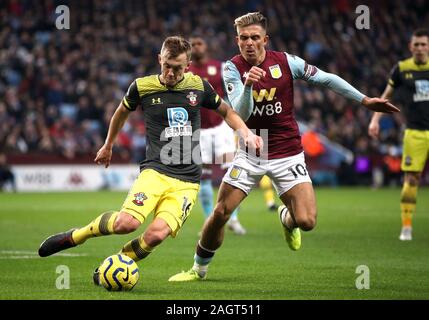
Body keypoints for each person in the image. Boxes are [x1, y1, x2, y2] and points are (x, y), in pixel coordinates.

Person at [169, 12, 399, 282]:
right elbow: (240, 114)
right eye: (244, 38)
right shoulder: (232, 68)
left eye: (255, 38)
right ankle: (198, 269)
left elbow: (326, 78)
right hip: (250, 153)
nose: (249, 43)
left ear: (265, 39)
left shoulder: (287, 62)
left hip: (288, 152)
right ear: (237, 40)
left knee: (307, 221)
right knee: (220, 212)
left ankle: (286, 218)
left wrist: (364, 100)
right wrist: (248, 86)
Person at [38, 36, 262, 284]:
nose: (170, 72)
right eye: (166, 65)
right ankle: (77, 236)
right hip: (155, 172)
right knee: (127, 223)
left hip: (187, 181)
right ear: (159, 59)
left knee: (156, 235)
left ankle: (115, 264)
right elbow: (121, 111)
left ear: (187, 65)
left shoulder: (199, 86)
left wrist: (246, 133)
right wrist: (108, 144)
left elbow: (227, 111)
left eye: (177, 67)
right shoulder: (142, 87)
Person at [368, 28, 429, 241]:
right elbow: (386, 96)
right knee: (411, 179)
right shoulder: (402, 69)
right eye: (417, 44)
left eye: (424, 44)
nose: (420, 48)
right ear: (411, 47)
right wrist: (375, 120)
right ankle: (406, 226)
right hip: (415, 132)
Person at [188, 35, 246, 235]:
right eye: (192, 44)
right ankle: (208, 221)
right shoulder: (185, 71)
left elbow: (233, 90)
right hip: (198, 131)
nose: (196, 47)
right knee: (202, 177)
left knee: (232, 172)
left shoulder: (219, 67)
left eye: (199, 43)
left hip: (221, 127)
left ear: (206, 46)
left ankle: (234, 219)